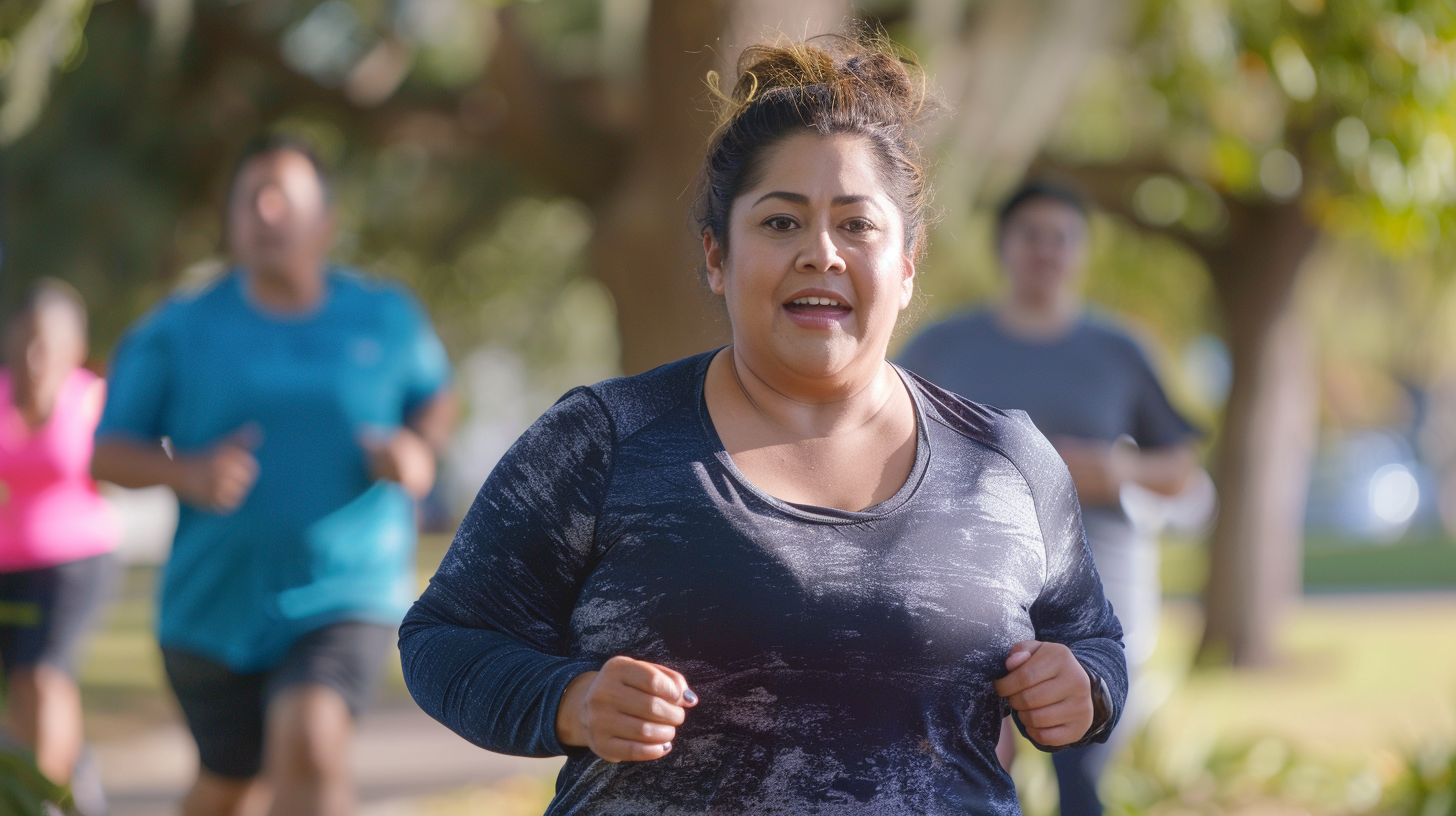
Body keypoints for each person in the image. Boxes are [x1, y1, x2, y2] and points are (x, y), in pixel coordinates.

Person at [400, 35, 1126, 815]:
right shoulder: (606, 442)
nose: (822, 253)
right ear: (717, 256)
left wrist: (1085, 686)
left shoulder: (1005, 460)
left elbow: (1095, 641)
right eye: (781, 224)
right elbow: (445, 638)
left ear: (908, 263)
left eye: (858, 225)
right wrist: (570, 700)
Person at [91, 135, 457, 816]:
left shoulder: (383, 315)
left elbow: (436, 396)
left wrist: (417, 446)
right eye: (247, 199)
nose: (262, 212)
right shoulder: (181, 328)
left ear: (325, 222)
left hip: (346, 586)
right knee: (230, 784)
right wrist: (188, 472)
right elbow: (105, 451)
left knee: (311, 742)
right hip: (213, 606)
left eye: (280, 197)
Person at [898, 180, 1201, 816]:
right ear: (1003, 247)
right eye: (1030, 235)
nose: (1046, 250)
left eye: (1061, 237)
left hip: (1096, 582)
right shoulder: (944, 346)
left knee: (1081, 768)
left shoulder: (1119, 350)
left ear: (1082, 252)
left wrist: (1111, 472)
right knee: (970, 760)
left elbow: (1180, 471)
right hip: (970, 580)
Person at [0, 279, 119, 815]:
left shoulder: (90, 400)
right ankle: (72, 777)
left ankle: (46, 801)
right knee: (21, 688)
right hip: (9, 566)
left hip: (77, 563)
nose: (32, 355)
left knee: (44, 674)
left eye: (44, 341)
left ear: (73, 344)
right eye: (23, 340)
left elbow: (124, 464)